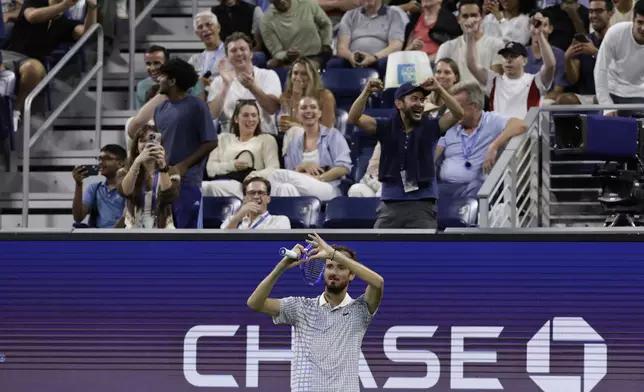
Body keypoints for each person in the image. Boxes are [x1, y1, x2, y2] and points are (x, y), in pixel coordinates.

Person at [247, 232, 384, 392]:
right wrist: (281, 267)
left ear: (352, 274)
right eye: (329, 266)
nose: (334, 272)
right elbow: (255, 303)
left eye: (341, 267)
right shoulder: (300, 307)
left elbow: (378, 283)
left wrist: (333, 254)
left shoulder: (360, 309)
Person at [348, 77, 464, 228]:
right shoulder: (385, 127)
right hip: (390, 205)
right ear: (399, 103)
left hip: (422, 205)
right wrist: (367, 92)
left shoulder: (432, 127)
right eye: (414, 99)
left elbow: (458, 114)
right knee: (381, 249)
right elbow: (353, 118)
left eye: (422, 100)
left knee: (422, 250)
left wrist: (439, 89)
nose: (420, 104)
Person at [3, 0, 98, 130]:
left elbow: (87, 34)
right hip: (7, 54)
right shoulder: (35, 2)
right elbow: (32, 16)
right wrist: (64, 5)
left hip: (33, 61)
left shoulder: (64, 22)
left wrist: (93, 6)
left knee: (34, 69)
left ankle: (15, 113)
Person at [147, 58, 218, 228]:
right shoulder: (159, 109)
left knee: (186, 235)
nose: (158, 80)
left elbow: (211, 142)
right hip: (162, 182)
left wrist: (183, 166)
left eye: (162, 76)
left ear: (172, 81)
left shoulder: (198, 106)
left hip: (188, 183)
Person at [435, 81, 527, 198]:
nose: (454, 112)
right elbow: (434, 153)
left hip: (476, 189)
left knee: (477, 189)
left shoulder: (491, 120)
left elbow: (520, 125)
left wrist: (494, 146)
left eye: (458, 107)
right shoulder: (450, 124)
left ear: (475, 106)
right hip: (445, 187)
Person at [465, 13, 555, 119]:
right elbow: (472, 65)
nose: (508, 60)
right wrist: (470, 36)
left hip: (527, 134)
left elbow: (550, 65)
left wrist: (539, 35)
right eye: (505, 56)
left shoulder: (535, 81)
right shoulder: (493, 81)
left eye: (514, 56)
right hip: (499, 134)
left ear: (525, 61)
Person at [269, 96, 352, 201]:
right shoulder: (294, 141)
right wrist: (302, 166)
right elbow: (291, 171)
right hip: (302, 187)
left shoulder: (333, 135)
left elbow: (344, 168)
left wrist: (319, 178)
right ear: (298, 114)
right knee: (285, 188)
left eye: (313, 107)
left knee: (276, 175)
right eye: (303, 108)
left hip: (328, 187)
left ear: (320, 113)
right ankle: (292, 216)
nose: (308, 111)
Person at [202, 100, 280, 199]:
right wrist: (232, 165)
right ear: (236, 119)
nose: (250, 119)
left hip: (247, 185)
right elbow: (210, 169)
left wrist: (254, 175)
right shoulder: (222, 139)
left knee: (211, 188)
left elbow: (274, 169)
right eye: (246, 115)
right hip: (222, 180)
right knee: (203, 187)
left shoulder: (266, 139)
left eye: (254, 115)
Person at [208, 32, 282, 135]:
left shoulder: (268, 75)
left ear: (251, 54)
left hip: (263, 136)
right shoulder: (219, 81)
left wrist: (252, 87)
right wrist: (226, 85)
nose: (238, 53)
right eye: (233, 51)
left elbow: (272, 108)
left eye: (243, 49)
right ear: (227, 57)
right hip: (231, 139)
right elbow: (212, 114)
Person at [119, 125, 180, 229]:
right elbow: (125, 192)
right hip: (133, 228)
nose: (147, 144)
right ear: (136, 147)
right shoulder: (124, 171)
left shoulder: (171, 171)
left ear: (160, 145)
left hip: (164, 228)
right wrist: (137, 162)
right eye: (142, 140)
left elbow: (169, 196)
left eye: (151, 140)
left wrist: (162, 167)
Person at [434, 0, 505, 85]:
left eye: (474, 15)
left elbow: (495, 83)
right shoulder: (446, 47)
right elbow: (439, 80)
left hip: (483, 95)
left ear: (481, 18)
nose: (470, 20)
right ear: (459, 19)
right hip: (454, 95)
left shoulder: (496, 44)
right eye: (465, 16)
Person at [594, 0, 644, 117]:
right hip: (613, 91)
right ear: (633, 20)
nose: (643, 28)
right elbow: (600, 70)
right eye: (640, 22)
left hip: (639, 95)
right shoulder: (615, 33)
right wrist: (606, 105)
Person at [559, 0, 611, 105]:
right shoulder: (584, 41)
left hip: (612, 95)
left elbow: (622, 71)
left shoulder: (617, 38)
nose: (593, 15)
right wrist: (567, 59)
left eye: (599, 11)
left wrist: (596, 53)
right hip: (588, 97)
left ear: (610, 13)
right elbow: (573, 79)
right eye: (591, 12)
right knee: (563, 100)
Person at [260, 0, 333, 69]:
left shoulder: (306, 3)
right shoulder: (266, 21)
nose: (282, 0)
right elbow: (276, 52)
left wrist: (326, 43)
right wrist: (286, 55)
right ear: (270, 1)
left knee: (311, 65)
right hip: (291, 60)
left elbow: (326, 24)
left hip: (318, 54)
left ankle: (301, 68)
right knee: (271, 64)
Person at [71, 144, 127, 228]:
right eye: (100, 159)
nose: (100, 162)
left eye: (107, 159)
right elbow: (78, 217)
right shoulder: (94, 188)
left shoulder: (129, 188)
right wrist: (79, 184)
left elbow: (127, 218)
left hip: (122, 237)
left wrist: (110, 236)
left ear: (121, 163)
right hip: (98, 238)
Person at [279, 57, 336, 133]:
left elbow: (326, 130)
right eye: (295, 73)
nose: (298, 78)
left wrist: (297, 98)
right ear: (290, 76)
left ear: (312, 76)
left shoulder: (325, 96)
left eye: (304, 74)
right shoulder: (286, 96)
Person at [221, 177, 291, 229]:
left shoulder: (280, 220)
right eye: (251, 193)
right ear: (244, 199)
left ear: (268, 199)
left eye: (260, 193)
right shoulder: (231, 220)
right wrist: (238, 216)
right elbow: (221, 243)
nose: (256, 196)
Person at [187, 11, 227, 100]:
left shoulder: (232, 52)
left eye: (209, 24)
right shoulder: (194, 60)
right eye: (200, 27)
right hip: (201, 101)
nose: (205, 29)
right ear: (197, 34)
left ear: (218, 27)